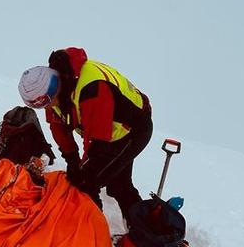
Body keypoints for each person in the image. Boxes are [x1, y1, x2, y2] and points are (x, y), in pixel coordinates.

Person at [18, 47, 152, 218]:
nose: (45, 106)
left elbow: (98, 143)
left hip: (133, 129)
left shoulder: (91, 89)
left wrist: (85, 172)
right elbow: (58, 127)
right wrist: (72, 159)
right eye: (37, 105)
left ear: (52, 88)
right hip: (108, 131)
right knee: (118, 185)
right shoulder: (54, 94)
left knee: (90, 181)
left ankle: (92, 228)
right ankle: (140, 229)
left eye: (42, 102)